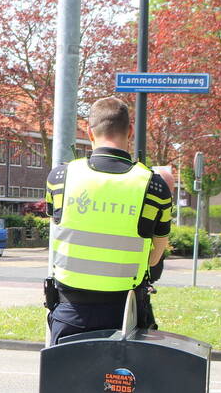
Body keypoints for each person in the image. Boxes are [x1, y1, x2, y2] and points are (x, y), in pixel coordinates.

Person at [44, 97, 173, 345]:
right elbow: (155, 255)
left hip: (70, 311)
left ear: (90, 133)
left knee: (64, 380)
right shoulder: (154, 186)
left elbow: (58, 226)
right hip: (125, 312)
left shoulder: (60, 177)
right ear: (131, 132)